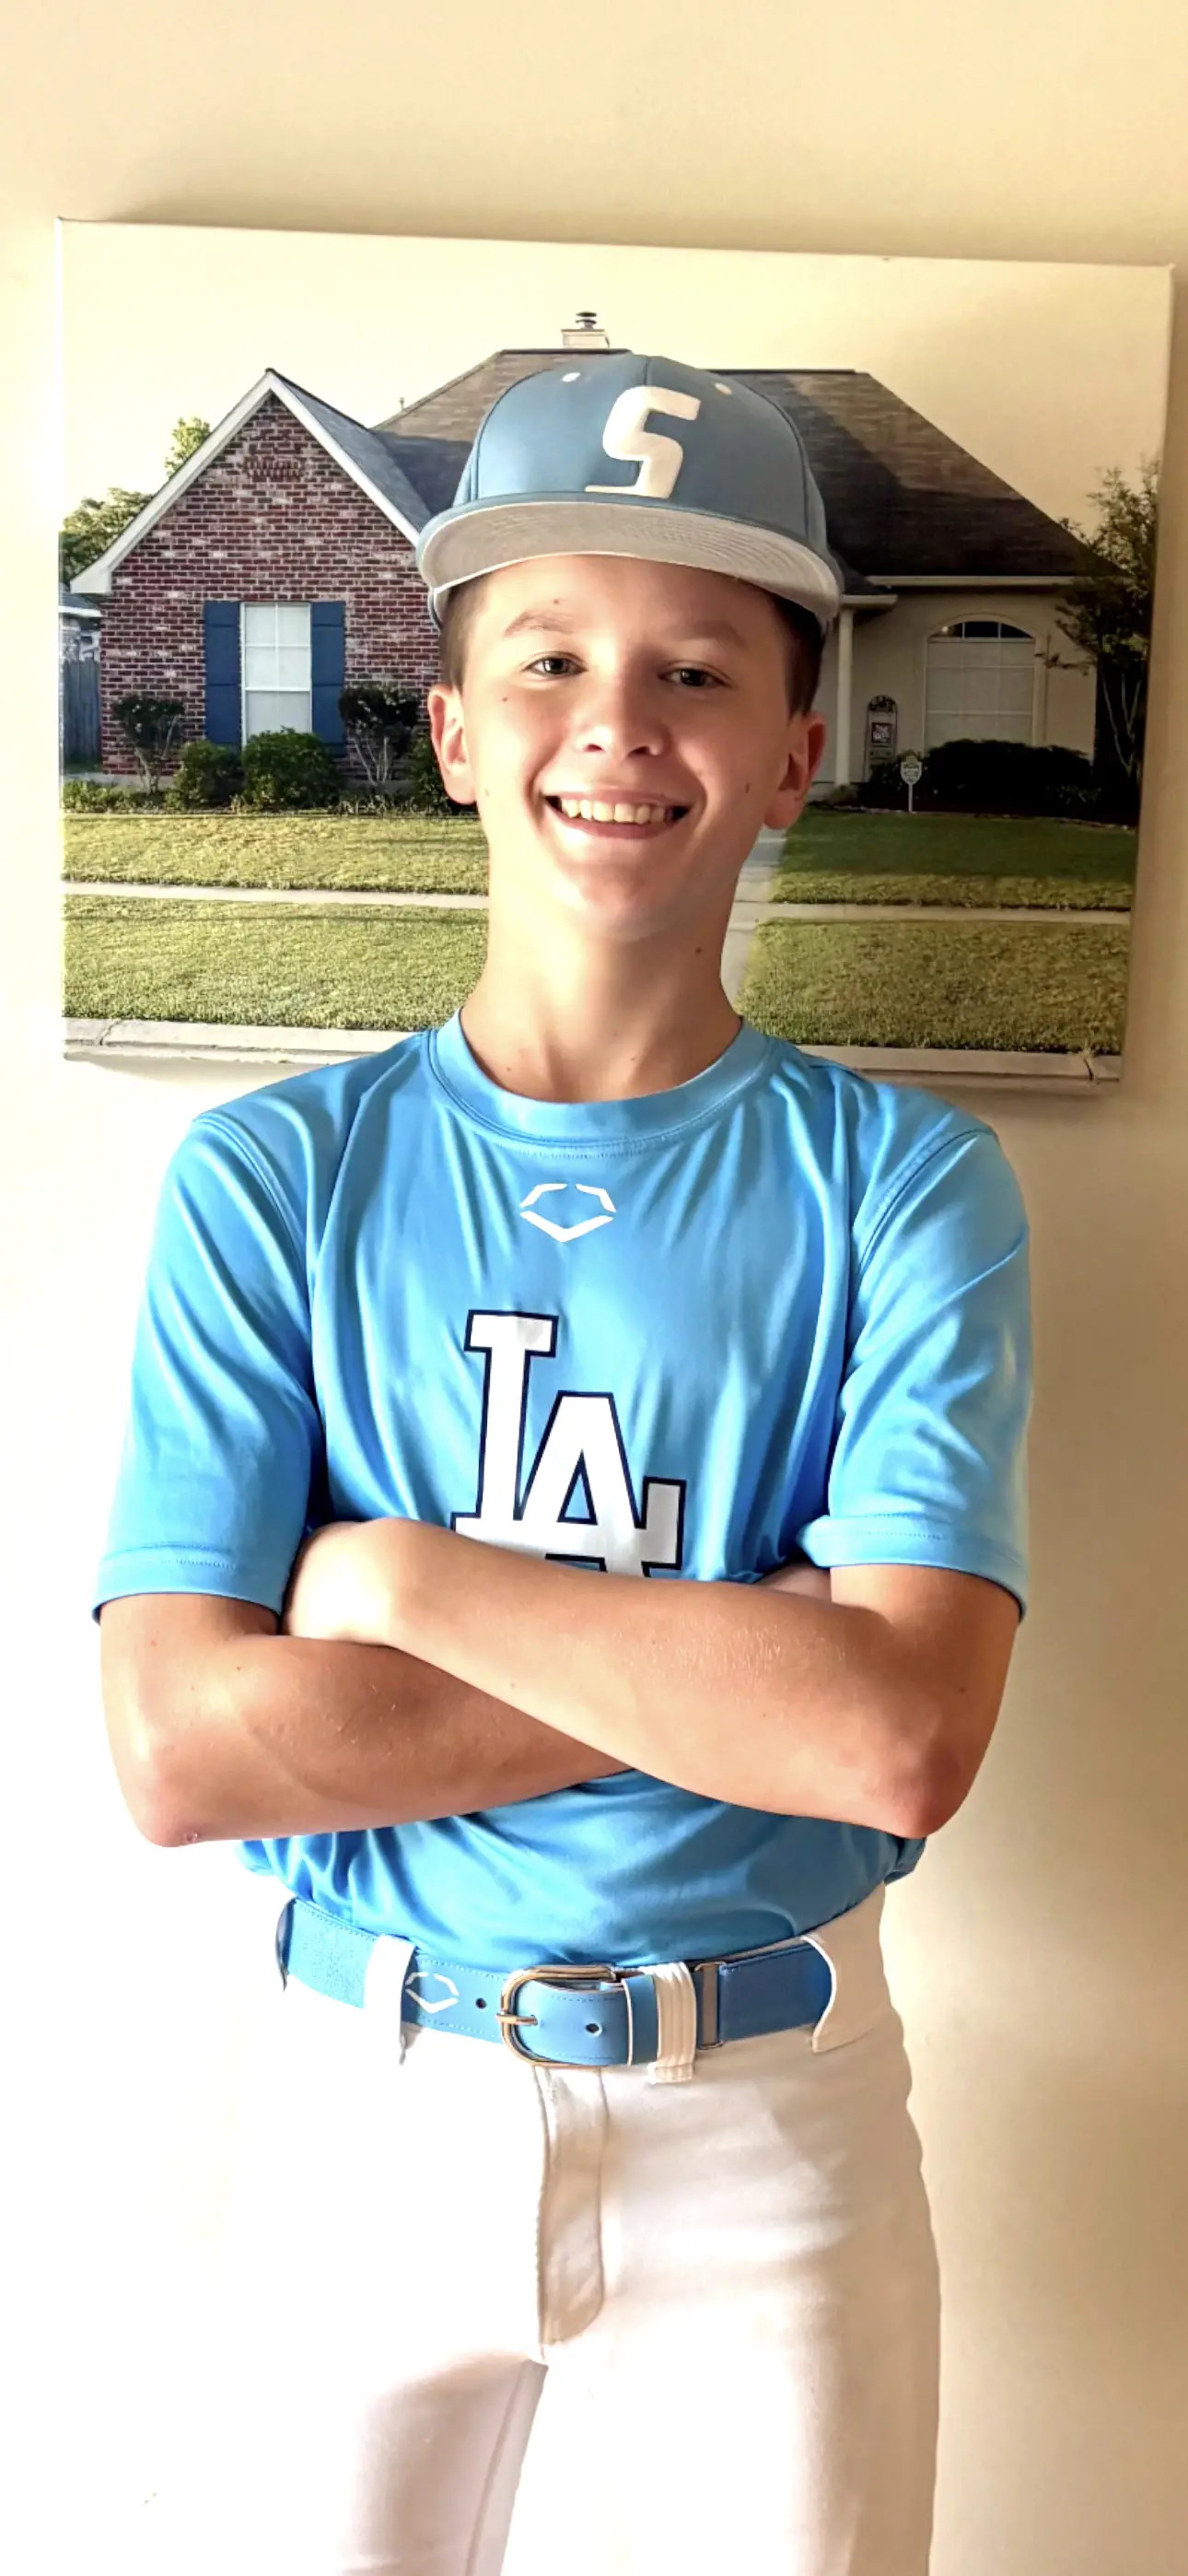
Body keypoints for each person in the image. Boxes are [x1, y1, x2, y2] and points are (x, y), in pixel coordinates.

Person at [95, 353, 1031, 2576]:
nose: (620, 722)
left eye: (698, 670)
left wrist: (403, 1588)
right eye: (550, 659)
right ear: (450, 730)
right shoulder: (275, 1178)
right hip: (372, 2090)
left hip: (771, 2108)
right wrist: (743, 1673)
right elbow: (182, 1753)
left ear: (795, 753)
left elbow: (900, 1741)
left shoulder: (902, 1187)